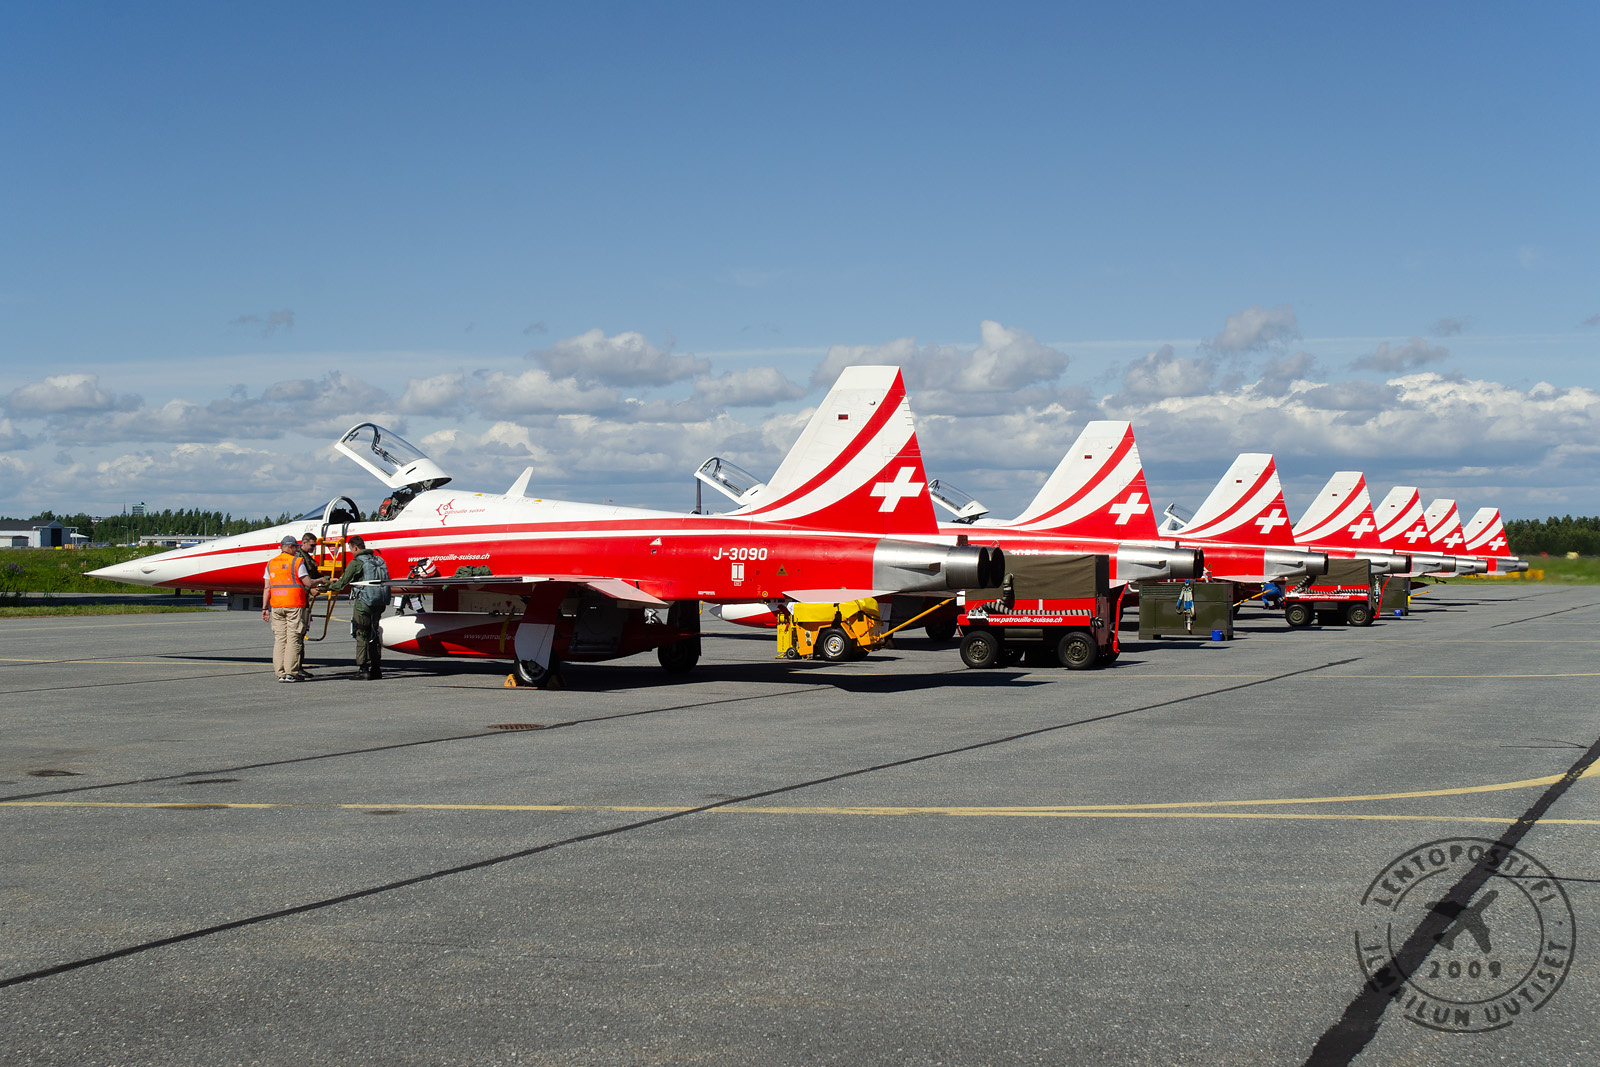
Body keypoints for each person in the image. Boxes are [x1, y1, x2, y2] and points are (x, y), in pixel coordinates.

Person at [326, 534, 390, 680]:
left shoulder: (357, 562)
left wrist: (326, 586)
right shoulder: (378, 560)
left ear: (355, 547)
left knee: (362, 633)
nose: (351, 552)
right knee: (374, 634)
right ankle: (376, 668)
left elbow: (342, 583)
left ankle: (363, 669)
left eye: (351, 549)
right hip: (380, 603)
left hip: (364, 603)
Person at [262, 535, 316, 682]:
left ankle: (280, 673)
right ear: (290, 547)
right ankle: (291, 673)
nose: (297, 550)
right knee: (294, 638)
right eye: (295, 547)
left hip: (277, 606)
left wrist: (264, 608)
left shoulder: (271, 563)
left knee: (280, 639)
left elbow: (267, 588)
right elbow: (308, 582)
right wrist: (322, 580)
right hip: (294, 604)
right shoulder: (296, 561)